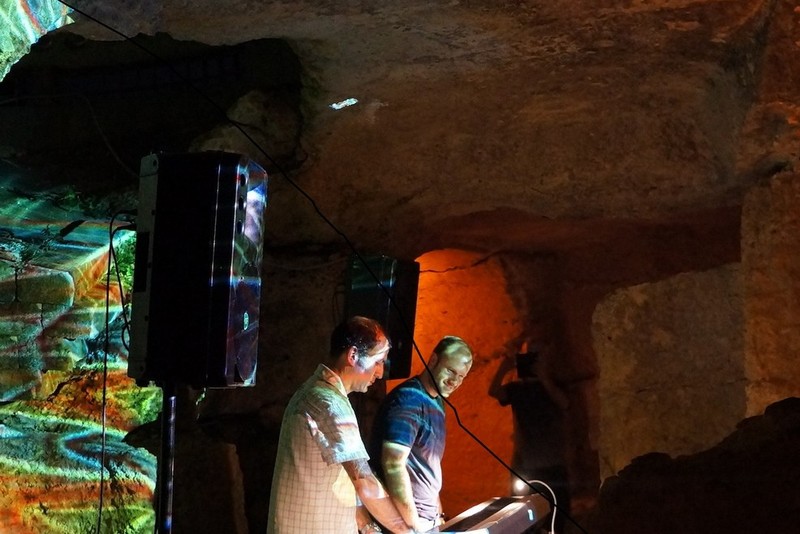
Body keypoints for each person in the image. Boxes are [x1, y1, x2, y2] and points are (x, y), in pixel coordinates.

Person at [267, 316, 415, 534]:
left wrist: (368, 528)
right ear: (353, 355)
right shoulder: (330, 403)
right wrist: (405, 530)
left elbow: (343, 481)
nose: (380, 372)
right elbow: (363, 481)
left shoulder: (316, 393)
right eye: (378, 361)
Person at [370, 336, 474, 533]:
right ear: (433, 360)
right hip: (405, 525)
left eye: (461, 376)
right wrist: (414, 524)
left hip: (427, 521)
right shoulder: (409, 399)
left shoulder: (437, 402)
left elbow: (428, 468)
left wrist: (439, 517)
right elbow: (393, 463)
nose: (455, 381)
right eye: (450, 371)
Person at [488, 343, 571, 533]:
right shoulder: (518, 389)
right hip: (526, 462)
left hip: (553, 463)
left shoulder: (552, 385)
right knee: (524, 517)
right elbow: (494, 391)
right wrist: (504, 367)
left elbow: (565, 403)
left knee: (559, 516)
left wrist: (544, 377)